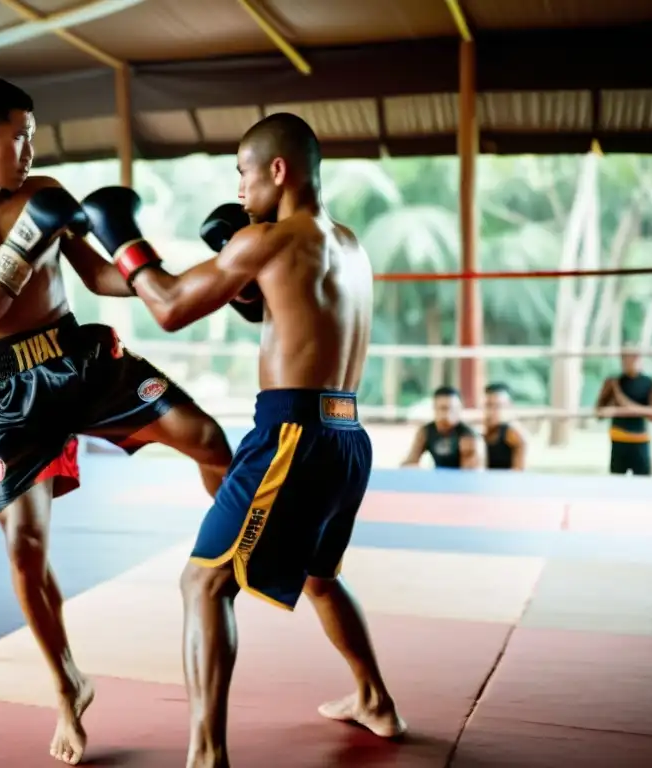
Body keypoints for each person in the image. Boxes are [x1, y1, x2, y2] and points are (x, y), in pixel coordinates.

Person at [0, 76, 234, 766]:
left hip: (80, 360)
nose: (31, 147)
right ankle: (67, 685)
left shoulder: (41, 190)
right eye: (19, 135)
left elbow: (100, 276)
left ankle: (230, 563)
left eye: (32, 135)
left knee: (211, 442)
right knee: (24, 550)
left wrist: (186, 272)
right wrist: (24, 241)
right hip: (9, 389)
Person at [80, 112, 405, 768]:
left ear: (277, 171)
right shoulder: (345, 242)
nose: (239, 188)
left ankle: (206, 756)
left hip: (292, 433)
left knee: (202, 585)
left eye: (243, 173)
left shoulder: (269, 242)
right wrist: (78, 250)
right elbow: (271, 303)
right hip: (348, 436)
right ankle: (374, 698)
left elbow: (167, 305)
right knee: (319, 578)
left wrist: (120, 233)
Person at [594, 350, 652, 475]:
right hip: (619, 439)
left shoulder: (649, 383)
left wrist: (632, 409)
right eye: (626, 358)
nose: (630, 361)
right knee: (617, 482)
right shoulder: (613, 382)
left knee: (644, 483)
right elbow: (599, 411)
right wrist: (611, 411)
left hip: (640, 439)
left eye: (633, 358)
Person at [401, 385, 484, 470]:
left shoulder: (469, 435)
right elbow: (409, 463)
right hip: (437, 479)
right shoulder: (425, 432)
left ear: (459, 409)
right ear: (435, 408)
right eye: (443, 408)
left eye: (451, 409)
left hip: (459, 481)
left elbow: (470, 474)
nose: (447, 414)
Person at [483, 382, 527, 470]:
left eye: (498, 406)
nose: (492, 411)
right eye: (488, 405)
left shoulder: (515, 434)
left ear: (509, 406)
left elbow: (519, 475)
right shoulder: (479, 431)